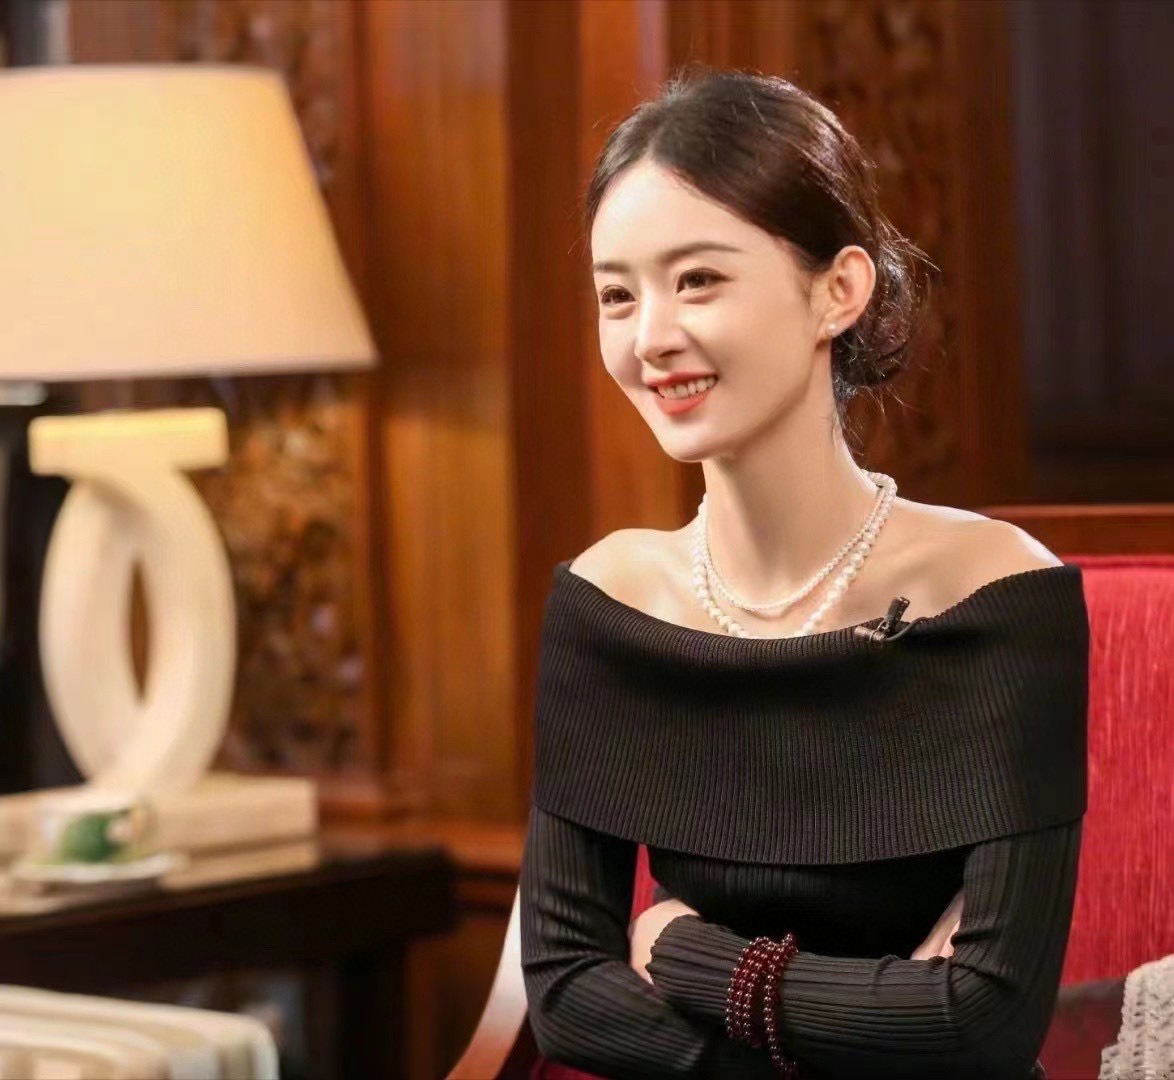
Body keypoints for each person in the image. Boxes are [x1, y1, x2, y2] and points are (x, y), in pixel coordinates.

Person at [519, 69, 1085, 1080]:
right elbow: (565, 996)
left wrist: (681, 951)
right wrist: (864, 1024)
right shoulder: (609, 604)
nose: (651, 338)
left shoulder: (996, 596)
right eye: (618, 295)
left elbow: (982, 1022)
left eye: (698, 280)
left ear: (839, 291)